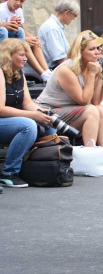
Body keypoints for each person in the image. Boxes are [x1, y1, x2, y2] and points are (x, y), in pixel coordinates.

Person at [36, 31, 103, 152]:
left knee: (101, 110)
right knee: (91, 110)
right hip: (48, 113)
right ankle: (90, 156)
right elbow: (84, 101)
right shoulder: (66, 69)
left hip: (70, 111)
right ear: (80, 52)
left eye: (98, 48)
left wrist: (99, 75)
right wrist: (92, 74)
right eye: (92, 49)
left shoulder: (91, 66)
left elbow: (96, 101)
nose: (97, 52)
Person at [0, 39, 55, 188]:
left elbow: (27, 103)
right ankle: (8, 173)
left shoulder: (19, 72)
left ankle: (37, 168)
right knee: (28, 125)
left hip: (12, 119)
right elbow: (1, 109)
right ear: (8, 55)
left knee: (50, 124)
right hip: (2, 119)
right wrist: (32, 115)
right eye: (22, 55)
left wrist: (41, 112)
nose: (26, 59)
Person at [0, 0, 51, 81]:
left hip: (12, 36)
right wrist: (5, 24)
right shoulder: (2, 9)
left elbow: (22, 27)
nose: (18, 3)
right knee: (3, 30)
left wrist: (33, 38)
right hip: (4, 38)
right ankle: (4, 58)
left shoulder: (18, 11)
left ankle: (46, 71)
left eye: (21, 1)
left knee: (30, 39)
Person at [38, 0, 80, 71]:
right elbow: (60, 59)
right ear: (66, 13)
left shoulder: (56, 26)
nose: (74, 18)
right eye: (74, 15)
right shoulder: (52, 28)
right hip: (55, 70)